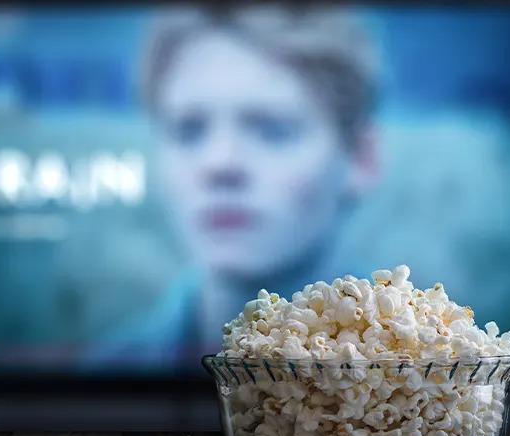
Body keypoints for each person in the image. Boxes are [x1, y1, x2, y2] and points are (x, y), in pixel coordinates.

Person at [86, 5, 379, 373]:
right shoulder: (106, 376)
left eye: (273, 129)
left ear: (362, 158)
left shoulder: (446, 378)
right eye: (188, 130)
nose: (219, 164)